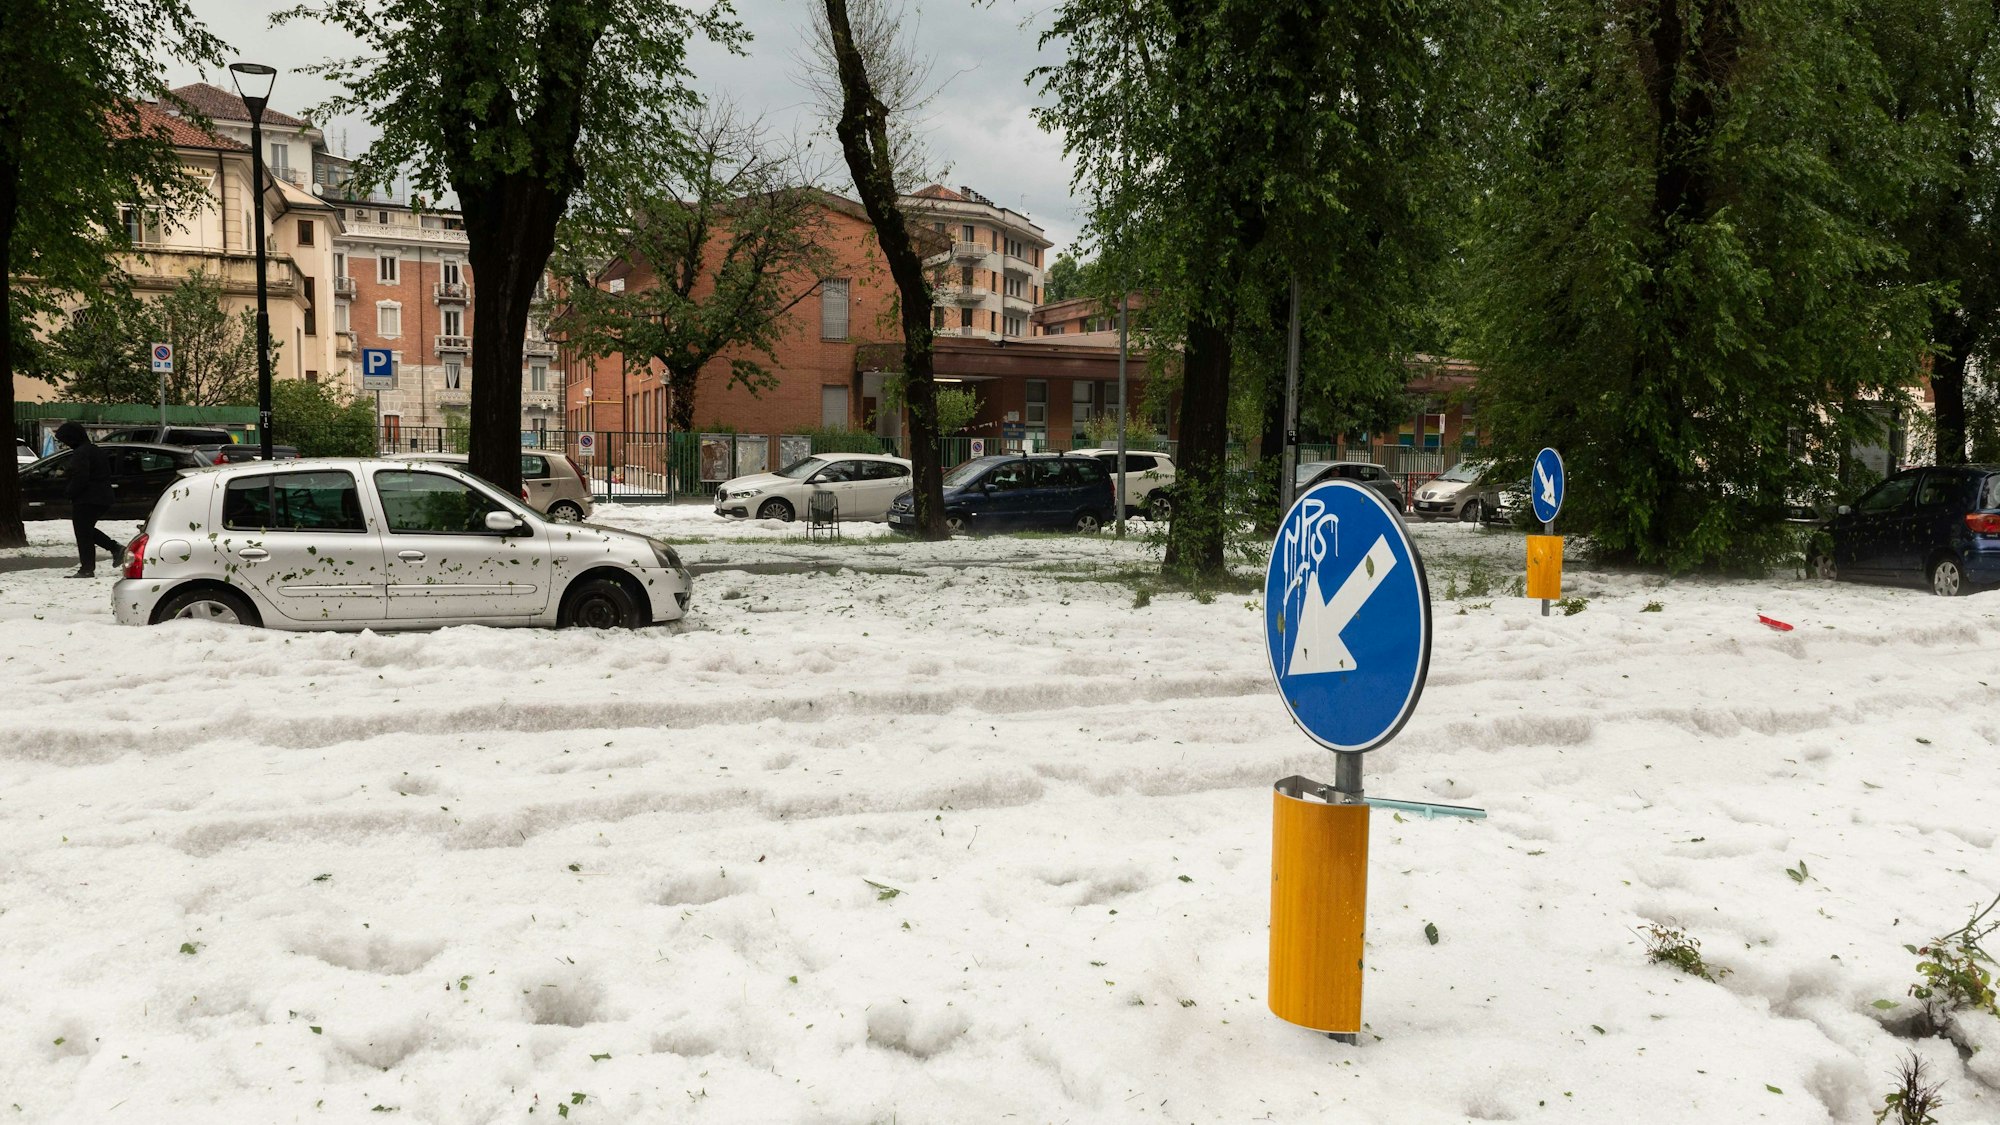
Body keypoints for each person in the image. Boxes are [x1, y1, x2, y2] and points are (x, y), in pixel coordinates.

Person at [55, 422, 122, 578]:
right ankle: (114, 549)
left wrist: (69, 492)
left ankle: (87, 568)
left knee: (83, 533)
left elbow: (81, 477)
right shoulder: (94, 450)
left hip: (88, 498)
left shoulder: (81, 453)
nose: (65, 443)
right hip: (101, 496)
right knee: (86, 530)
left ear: (72, 438)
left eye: (65, 440)